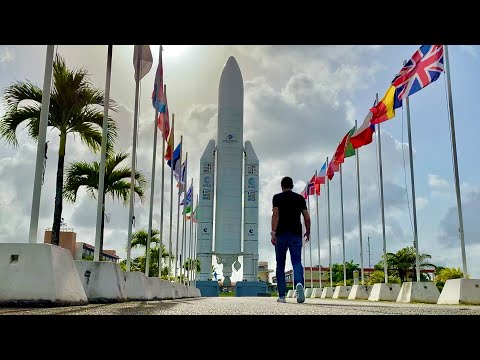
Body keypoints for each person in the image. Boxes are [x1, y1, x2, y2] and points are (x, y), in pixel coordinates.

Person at [271, 176, 310, 303]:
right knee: (297, 262)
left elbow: (275, 215)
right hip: (295, 235)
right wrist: (308, 231)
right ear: (292, 185)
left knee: (280, 265)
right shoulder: (300, 198)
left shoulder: (277, 198)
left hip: (281, 235)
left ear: (281, 186)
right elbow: (307, 217)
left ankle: (282, 296)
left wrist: (273, 233)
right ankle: (299, 283)